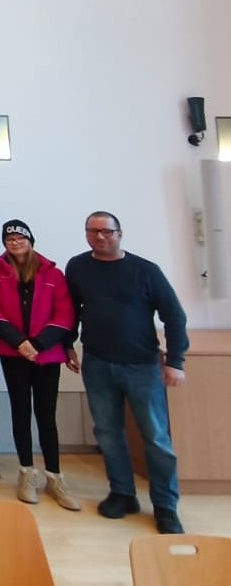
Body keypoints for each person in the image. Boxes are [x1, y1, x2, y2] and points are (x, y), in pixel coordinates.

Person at [65, 211, 188, 534]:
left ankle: (165, 506)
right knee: (108, 433)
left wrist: (175, 361)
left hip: (142, 366)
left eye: (107, 231)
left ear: (120, 234)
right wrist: (67, 345)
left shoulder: (145, 271)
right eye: (93, 231)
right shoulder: (77, 267)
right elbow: (71, 310)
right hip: (97, 364)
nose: (100, 236)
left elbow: (174, 315)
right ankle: (122, 494)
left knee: (156, 437)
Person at [0, 220, 80, 510]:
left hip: (46, 354)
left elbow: (65, 314)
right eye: (9, 238)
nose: (15, 242)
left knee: (46, 415)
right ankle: (26, 472)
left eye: (20, 237)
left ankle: (54, 476)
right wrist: (19, 342)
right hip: (14, 354)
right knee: (20, 411)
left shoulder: (53, 273)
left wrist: (37, 344)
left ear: (30, 240)